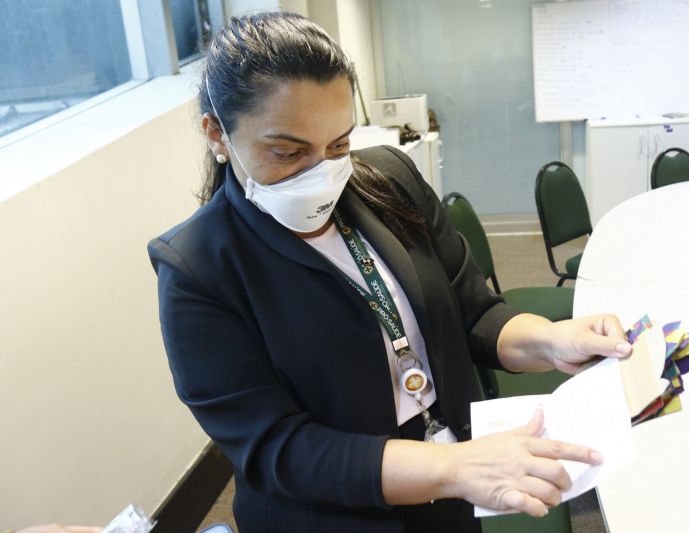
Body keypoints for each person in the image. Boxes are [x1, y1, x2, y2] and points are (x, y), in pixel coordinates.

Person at [148, 12, 632, 533]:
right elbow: (278, 449)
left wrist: (552, 341)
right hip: (338, 514)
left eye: (338, 145)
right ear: (217, 134)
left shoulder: (388, 181)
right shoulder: (197, 268)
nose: (320, 174)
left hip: (453, 486)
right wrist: (455, 467)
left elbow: (474, 312)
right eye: (288, 152)